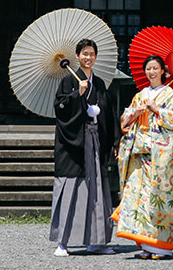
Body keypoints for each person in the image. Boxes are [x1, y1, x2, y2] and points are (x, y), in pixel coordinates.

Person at [113, 54, 173, 259]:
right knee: (139, 199)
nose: (151, 72)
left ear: (163, 71)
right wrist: (135, 113)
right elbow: (125, 121)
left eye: (155, 68)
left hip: (160, 157)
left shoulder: (170, 95)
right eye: (148, 68)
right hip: (139, 153)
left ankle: (161, 246)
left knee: (159, 198)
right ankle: (146, 244)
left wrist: (158, 110)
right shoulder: (140, 95)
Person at [51, 38, 118, 257]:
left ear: (95, 57)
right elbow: (60, 109)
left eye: (92, 54)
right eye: (84, 54)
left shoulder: (99, 83)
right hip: (73, 144)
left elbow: (109, 114)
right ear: (77, 56)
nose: (88, 57)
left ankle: (95, 241)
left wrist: (115, 141)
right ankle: (63, 242)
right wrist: (75, 95)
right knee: (71, 189)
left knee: (97, 189)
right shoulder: (69, 81)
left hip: (96, 141)